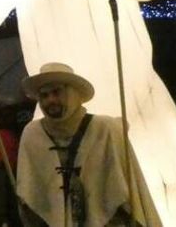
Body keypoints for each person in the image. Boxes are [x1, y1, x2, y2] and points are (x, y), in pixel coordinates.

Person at [16, 62, 158, 226]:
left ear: (73, 93)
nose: (50, 100)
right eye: (44, 96)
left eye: (57, 92)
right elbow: (29, 197)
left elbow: (132, 191)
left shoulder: (106, 130)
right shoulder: (32, 135)